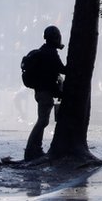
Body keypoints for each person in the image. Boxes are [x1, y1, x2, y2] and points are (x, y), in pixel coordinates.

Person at [24, 25, 66, 161]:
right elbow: (62, 69)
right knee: (42, 121)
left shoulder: (45, 51)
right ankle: (31, 149)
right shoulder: (50, 53)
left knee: (43, 121)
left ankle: (36, 148)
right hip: (45, 93)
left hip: (41, 91)